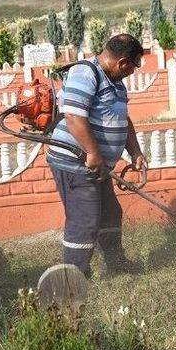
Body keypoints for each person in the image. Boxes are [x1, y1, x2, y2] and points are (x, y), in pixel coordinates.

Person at [47, 34, 147, 277]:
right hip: (75, 163)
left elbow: (122, 117)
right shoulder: (85, 73)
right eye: (135, 66)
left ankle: (115, 264)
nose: (133, 71)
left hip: (97, 166)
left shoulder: (115, 82)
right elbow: (73, 116)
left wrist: (134, 151)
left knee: (111, 213)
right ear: (123, 62)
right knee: (85, 221)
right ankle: (74, 279)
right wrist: (93, 152)